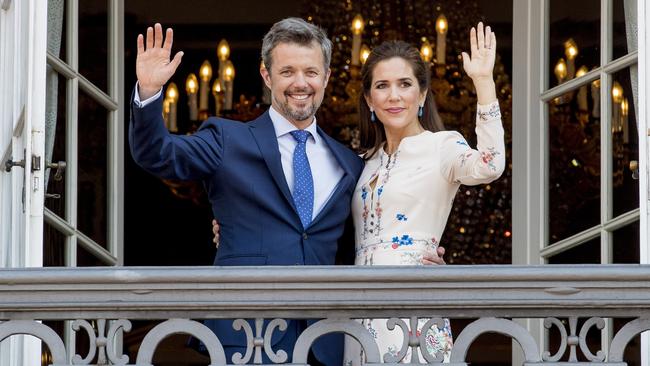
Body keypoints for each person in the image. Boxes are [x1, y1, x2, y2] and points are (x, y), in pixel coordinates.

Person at [130, 18, 445, 365]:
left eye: (311, 72)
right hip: (246, 338)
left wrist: (422, 256)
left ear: (326, 77)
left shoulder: (351, 164)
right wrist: (148, 93)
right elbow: (157, 154)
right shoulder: (226, 139)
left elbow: (365, 240)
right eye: (287, 72)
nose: (300, 83)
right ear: (267, 77)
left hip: (326, 344)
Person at [343, 23, 505, 364]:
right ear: (369, 100)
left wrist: (483, 82)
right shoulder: (362, 162)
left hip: (414, 303)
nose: (394, 95)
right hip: (356, 311)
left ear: (422, 94)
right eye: (382, 86)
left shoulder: (441, 146)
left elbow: (491, 165)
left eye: (405, 84)